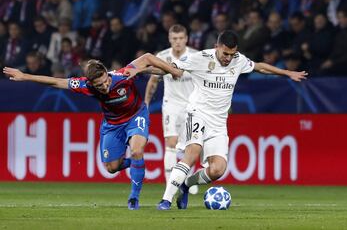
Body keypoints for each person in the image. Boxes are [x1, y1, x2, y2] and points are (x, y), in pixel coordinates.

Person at [3, 53, 182, 210]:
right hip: (112, 125)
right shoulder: (85, 85)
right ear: (91, 83)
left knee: (136, 150)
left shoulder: (122, 75)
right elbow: (57, 81)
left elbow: (148, 57)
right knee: (112, 168)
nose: (104, 86)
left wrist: (173, 71)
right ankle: (137, 163)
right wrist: (24, 76)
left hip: (136, 116)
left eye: (106, 81)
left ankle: (134, 197)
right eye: (100, 85)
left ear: (107, 73)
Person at [152, 30, 307, 210]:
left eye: (232, 54)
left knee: (218, 170)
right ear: (216, 47)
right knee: (192, 152)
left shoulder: (238, 60)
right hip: (197, 113)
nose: (228, 58)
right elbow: (170, 67)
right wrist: (144, 68)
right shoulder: (199, 57)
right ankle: (166, 200)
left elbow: (260, 67)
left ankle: (186, 184)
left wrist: (287, 73)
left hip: (218, 123)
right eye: (225, 53)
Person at [144, 24, 199, 195]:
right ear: (170, 39)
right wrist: (146, 103)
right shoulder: (162, 57)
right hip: (171, 105)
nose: (178, 42)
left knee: (190, 145)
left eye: (181, 38)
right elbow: (153, 82)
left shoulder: (195, 56)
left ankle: (188, 180)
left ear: (186, 39)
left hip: (191, 105)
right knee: (171, 143)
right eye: (174, 39)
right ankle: (170, 184)